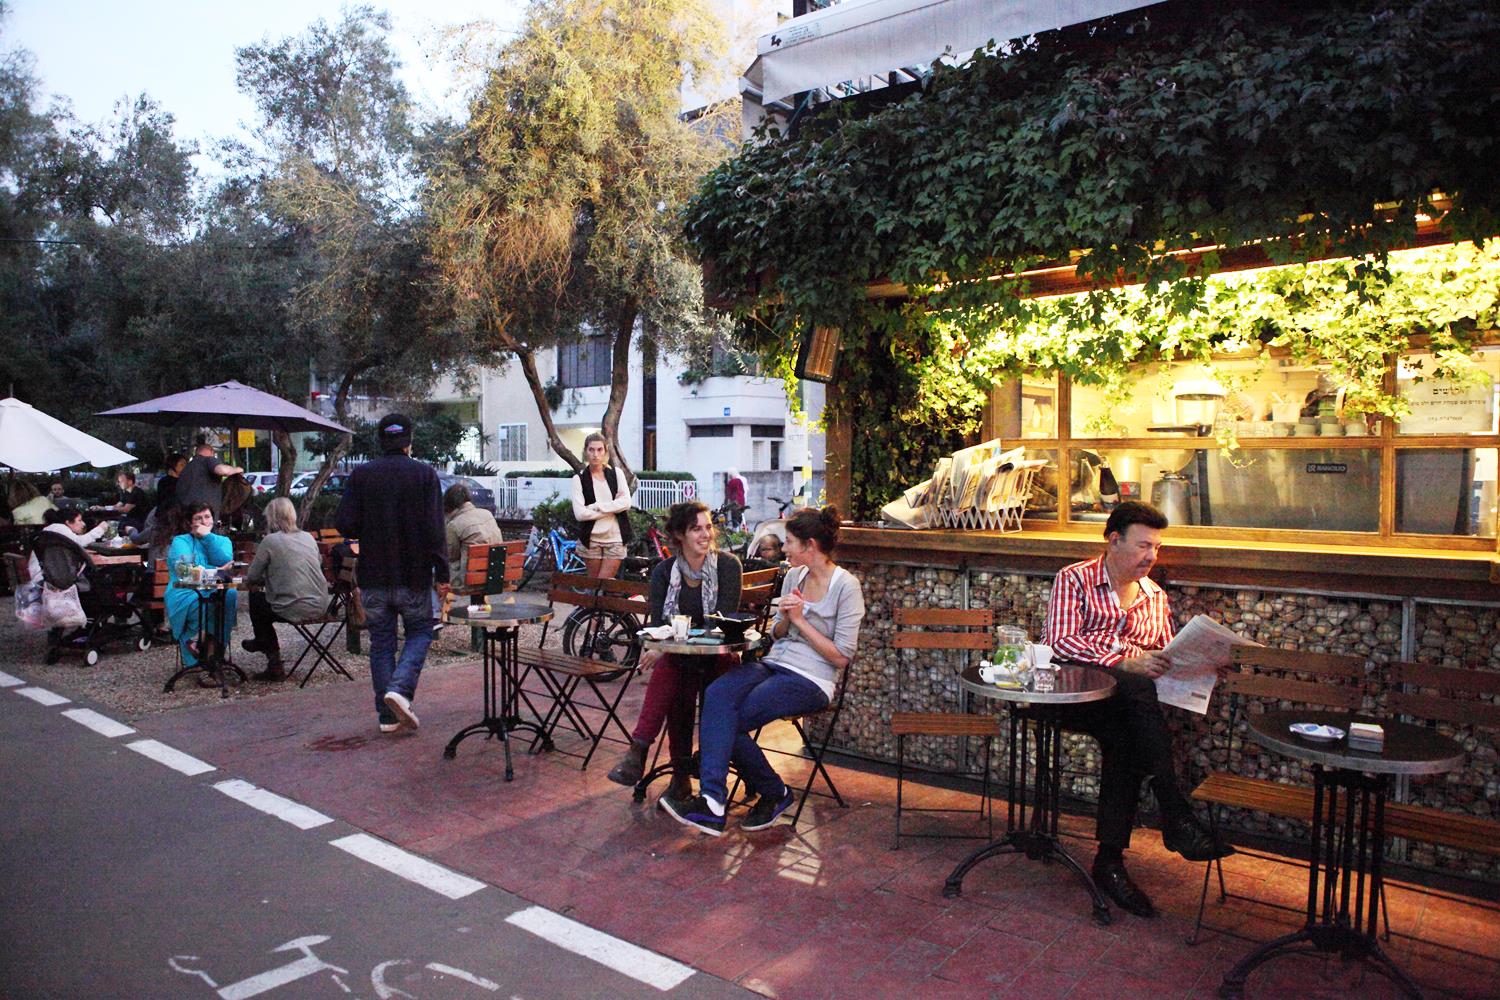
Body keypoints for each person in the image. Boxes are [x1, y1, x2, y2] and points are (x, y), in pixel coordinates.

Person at [1043, 499, 1233, 919]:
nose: (1151, 556)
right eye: (1144, 545)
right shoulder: (1074, 580)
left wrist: (1200, 662)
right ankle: (1172, 808)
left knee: (1129, 736)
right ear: (1113, 540)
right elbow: (1060, 642)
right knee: (1133, 685)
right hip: (1074, 697)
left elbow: (1163, 655)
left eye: (1157, 548)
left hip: (1128, 710)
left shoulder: (1154, 597)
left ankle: (1111, 861)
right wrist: (1124, 659)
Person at [662, 506, 863, 836]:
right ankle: (713, 800)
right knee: (717, 694)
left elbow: (841, 657)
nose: (783, 549)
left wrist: (799, 620)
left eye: (789, 542)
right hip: (774, 663)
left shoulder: (846, 587)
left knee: (730, 721)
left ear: (809, 545)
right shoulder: (794, 577)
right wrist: (784, 621)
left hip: (811, 679)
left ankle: (773, 792)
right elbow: (776, 635)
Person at [606, 501, 743, 799]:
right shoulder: (664, 573)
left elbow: (721, 621)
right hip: (682, 657)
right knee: (675, 678)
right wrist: (665, 644)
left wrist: (669, 641)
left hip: (718, 656)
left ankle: (644, 752)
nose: (705, 534)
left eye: (708, 527)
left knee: (670, 667)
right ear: (679, 535)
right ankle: (677, 773)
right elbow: (659, 625)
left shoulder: (728, 566)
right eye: (696, 528)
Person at [334, 412, 448, 734]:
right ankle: (399, 689)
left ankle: (386, 717)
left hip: (373, 576)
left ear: (381, 441)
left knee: (382, 643)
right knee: (421, 632)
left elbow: (344, 523)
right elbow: (435, 530)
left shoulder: (362, 475)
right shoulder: (425, 476)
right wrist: (442, 574)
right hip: (413, 574)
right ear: (409, 442)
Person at [241, 497, 331, 682]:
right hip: (321, 605)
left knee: (256, 599)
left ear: (271, 518)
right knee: (262, 602)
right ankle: (263, 643)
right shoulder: (308, 537)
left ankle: (273, 661)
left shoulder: (270, 541)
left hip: (294, 607)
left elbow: (253, 576)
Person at [165, 502, 238, 679]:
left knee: (230, 595)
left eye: (207, 517)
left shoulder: (222, 541)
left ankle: (209, 651)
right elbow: (186, 574)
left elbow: (224, 561)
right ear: (190, 522)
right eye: (198, 518)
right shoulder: (181, 542)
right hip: (185, 592)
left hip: (214, 591)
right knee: (207, 604)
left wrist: (207, 538)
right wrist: (217, 573)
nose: (204, 521)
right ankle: (208, 658)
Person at [571, 432, 632, 579]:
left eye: (599, 450)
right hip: (591, 539)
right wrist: (613, 507)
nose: (595, 454)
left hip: (615, 538)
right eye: (591, 450)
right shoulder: (579, 479)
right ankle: (589, 602)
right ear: (586, 451)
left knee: (604, 583)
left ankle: (594, 602)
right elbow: (580, 514)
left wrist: (596, 506)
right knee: (594, 587)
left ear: (605, 451)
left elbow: (626, 503)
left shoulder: (616, 474)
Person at [444, 482, 503, 588]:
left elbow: (450, 555)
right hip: (497, 575)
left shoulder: (454, 524)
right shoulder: (487, 514)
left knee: (436, 573)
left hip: (470, 578)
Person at [26, 506, 107, 581]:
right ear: (68, 522)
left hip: (42, 576)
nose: (83, 524)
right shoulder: (59, 528)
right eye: (79, 520)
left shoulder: (52, 529)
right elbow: (79, 542)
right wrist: (100, 529)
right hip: (45, 579)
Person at [176, 436, 244, 521]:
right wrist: (238, 469)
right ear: (212, 452)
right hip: (205, 519)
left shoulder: (187, 467)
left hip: (186, 517)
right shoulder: (208, 460)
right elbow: (223, 470)